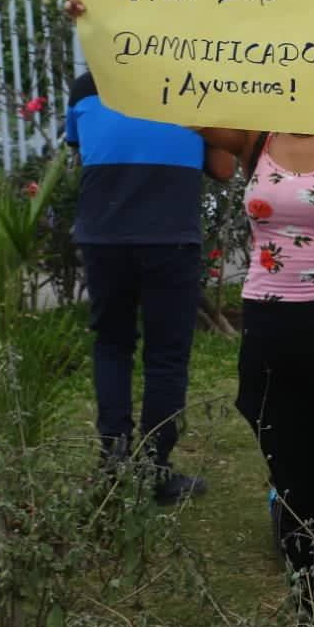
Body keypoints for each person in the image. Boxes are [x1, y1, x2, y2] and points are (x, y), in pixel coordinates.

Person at [67, 0, 314, 627]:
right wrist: (96, 28)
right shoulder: (255, 131)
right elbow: (156, 86)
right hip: (270, 335)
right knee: (295, 487)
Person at [65, 70, 234, 503]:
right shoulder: (196, 82)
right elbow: (224, 167)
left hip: (104, 235)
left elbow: (87, 149)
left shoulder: (87, 86)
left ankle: (114, 464)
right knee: (166, 356)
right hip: (169, 235)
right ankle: (155, 471)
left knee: (112, 344)